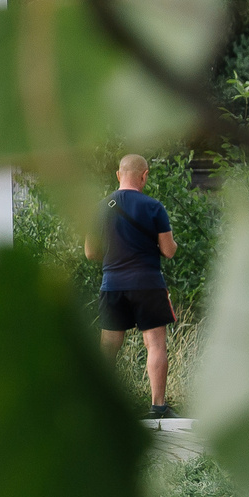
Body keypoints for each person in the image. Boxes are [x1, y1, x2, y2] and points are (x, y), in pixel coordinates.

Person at [87, 153, 178, 419]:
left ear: (118, 175)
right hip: (148, 284)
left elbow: (91, 252)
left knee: (108, 347)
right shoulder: (154, 207)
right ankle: (158, 407)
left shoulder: (101, 207)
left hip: (113, 284)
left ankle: (101, 405)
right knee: (155, 345)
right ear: (144, 175)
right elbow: (168, 251)